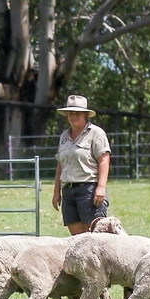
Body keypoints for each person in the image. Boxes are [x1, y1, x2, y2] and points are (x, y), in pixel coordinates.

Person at [51, 94, 111, 235]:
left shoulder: (96, 133)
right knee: (77, 239)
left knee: (95, 238)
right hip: (68, 191)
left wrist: (101, 187)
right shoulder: (64, 137)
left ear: (85, 114)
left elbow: (104, 160)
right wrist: (56, 192)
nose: (73, 116)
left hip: (89, 189)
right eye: (70, 113)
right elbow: (60, 165)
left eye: (77, 113)